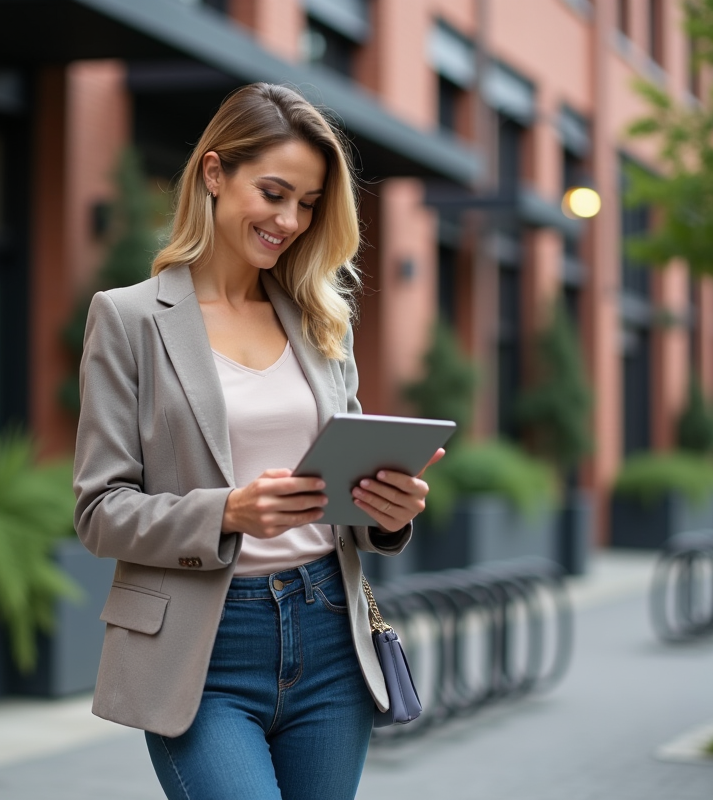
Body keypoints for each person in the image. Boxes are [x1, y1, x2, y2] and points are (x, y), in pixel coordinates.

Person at [73, 83, 442, 800]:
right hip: (201, 651)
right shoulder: (130, 321)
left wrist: (386, 512)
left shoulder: (319, 320)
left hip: (330, 631)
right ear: (215, 173)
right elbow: (99, 512)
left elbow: (349, 499)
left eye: (307, 204)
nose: (290, 220)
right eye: (274, 193)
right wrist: (228, 514)